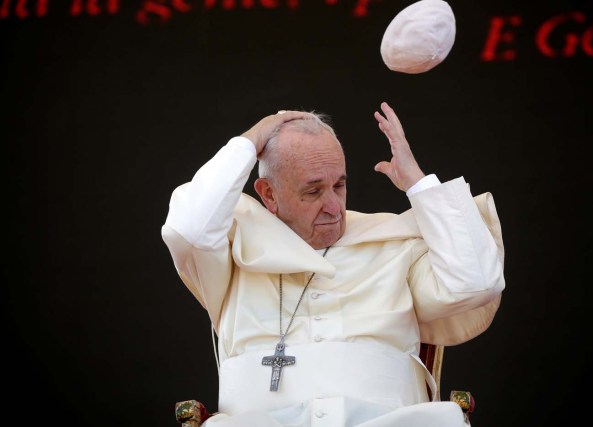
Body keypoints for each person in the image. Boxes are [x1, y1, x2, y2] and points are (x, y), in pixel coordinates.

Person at [161, 101, 505, 427]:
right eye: (312, 191)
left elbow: (477, 282)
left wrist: (418, 183)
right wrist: (251, 141)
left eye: (339, 185)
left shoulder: (393, 243)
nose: (333, 207)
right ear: (268, 194)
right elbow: (187, 229)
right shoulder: (231, 247)